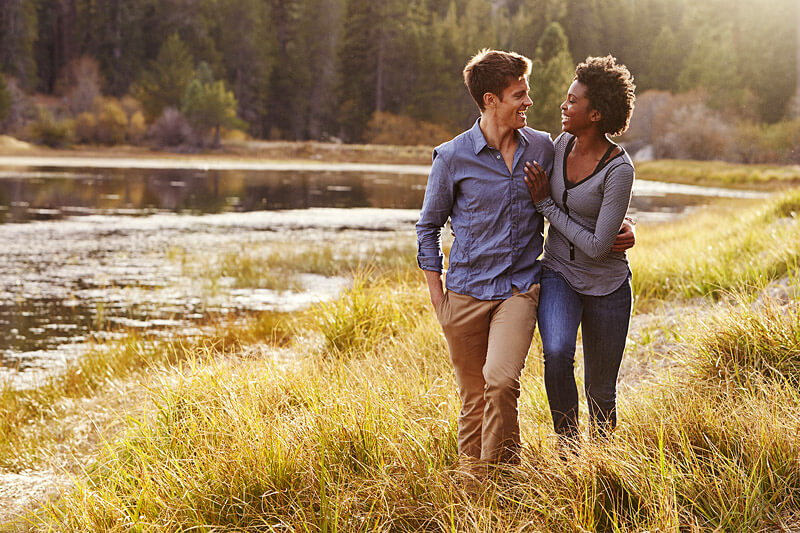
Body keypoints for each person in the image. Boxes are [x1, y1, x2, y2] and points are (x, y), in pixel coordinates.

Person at [416, 49, 634, 468]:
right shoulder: (455, 157)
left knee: (502, 383)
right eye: (519, 94)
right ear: (490, 100)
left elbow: (589, 193)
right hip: (467, 290)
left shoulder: (541, 147)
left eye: (527, 92)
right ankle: (484, 486)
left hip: (522, 287)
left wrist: (625, 225)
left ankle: (582, 466)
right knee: (476, 398)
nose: (532, 102)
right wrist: (436, 294)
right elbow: (428, 227)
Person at [523, 55, 637, 449]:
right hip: (557, 273)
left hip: (607, 286)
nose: (564, 105)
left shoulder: (619, 169)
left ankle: (602, 464)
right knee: (556, 355)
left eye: (573, 101)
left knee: (601, 393)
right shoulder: (560, 144)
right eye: (566, 98)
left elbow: (595, 247)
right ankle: (569, 451)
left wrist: (547, 207)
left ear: (596, 114)